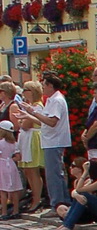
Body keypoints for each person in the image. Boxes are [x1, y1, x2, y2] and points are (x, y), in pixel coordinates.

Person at [21, 72, 71, 210]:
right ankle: (61, 203)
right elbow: (43, 121)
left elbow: (52, 121)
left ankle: (58, 205)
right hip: (50, 141)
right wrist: (29, 113)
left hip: (55, 141)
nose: (42, 89)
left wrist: (33, 112)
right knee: (55, 174)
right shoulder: (51, 100)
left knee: (53, 176)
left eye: (44, 86)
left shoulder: (56, 100)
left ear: (50, 86)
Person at [47, 157, 97, 230]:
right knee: (78, 197)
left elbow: (79, 190)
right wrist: (76, 195)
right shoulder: (94, 179)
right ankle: (66, 225)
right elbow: (77, 191)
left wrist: (85, 172)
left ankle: (67, 226)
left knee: (83, 195)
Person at [12, 80, 44, 212]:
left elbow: (25, 124)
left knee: (33, 170)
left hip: (32, 138)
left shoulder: (37, 106)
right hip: (26, 138)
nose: (24, 93)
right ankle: (35, 197)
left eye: (27, 90)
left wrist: (22, 119)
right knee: (28, 171)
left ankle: (37, 199)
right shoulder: (29, 106)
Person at [0, 121, 23, 218]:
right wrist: (10, 159)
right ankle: (16, 211)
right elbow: (18, 157)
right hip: (12, 166)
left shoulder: (0, 143)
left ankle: (4, 212)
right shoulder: (15, 143)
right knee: (14, 190)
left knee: (3, 191)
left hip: (2, 165)